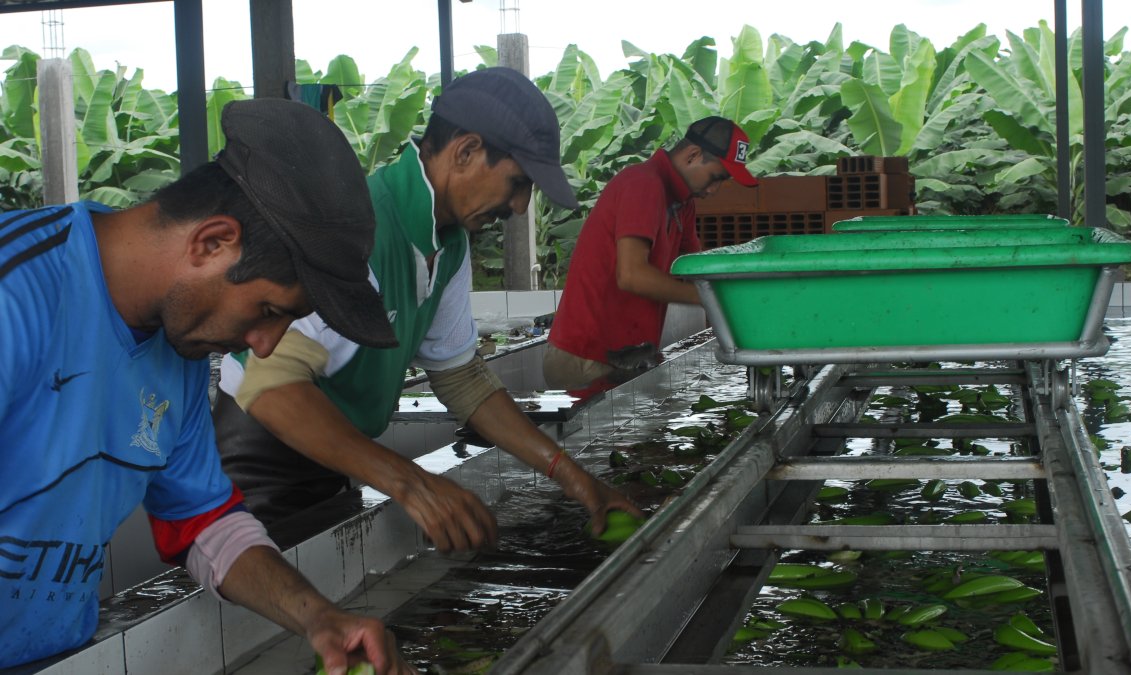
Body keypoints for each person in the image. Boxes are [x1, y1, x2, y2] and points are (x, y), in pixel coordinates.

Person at [0, 98, 409, 673]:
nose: (263, 346)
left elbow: (203, 521)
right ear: (212, 241)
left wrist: (318, 617)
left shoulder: (180, 360)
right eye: (269, 309)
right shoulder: (15, 296)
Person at [215, 67, 640, 551]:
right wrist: (411, 483)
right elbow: (269, 385)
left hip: (335, 457)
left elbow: (463, 380)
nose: (521, 207)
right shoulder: (361, 229)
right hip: (263, 464)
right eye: (517, 182)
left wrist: (575, 481)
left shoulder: (450, 244)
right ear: (465, 151)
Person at [543, 116, 758, 390]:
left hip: (627, 354)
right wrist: (716, 300)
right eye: (716, 177)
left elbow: (700, 271)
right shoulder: (643, 184)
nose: (714, 190)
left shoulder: (682, 203)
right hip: (586, 357)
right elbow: (632, 276)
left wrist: (747, 301)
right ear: (692, 155)